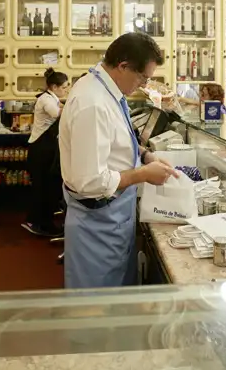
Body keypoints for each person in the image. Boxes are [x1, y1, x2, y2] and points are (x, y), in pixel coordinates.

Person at [59, 32, 177, 289]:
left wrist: (144, 154)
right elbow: (90, 181)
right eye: (143, 77)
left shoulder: (107, 90)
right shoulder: (93, 103)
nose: (144, 85)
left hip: (112, 216)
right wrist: (143, 174)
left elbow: (114, 142)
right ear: (123, 66)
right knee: (96, 310)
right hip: (97, 222)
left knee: (117, 302)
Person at [22, 68, 69, 238]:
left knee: (47, 188)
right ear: (54, 87)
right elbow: (57, 113)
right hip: (40, 149)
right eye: (64, 87)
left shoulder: (53, 98)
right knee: (42, 188)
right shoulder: (46, 100)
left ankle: (43, 221)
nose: (65, 90)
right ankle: (36, 223)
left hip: (46, 149)